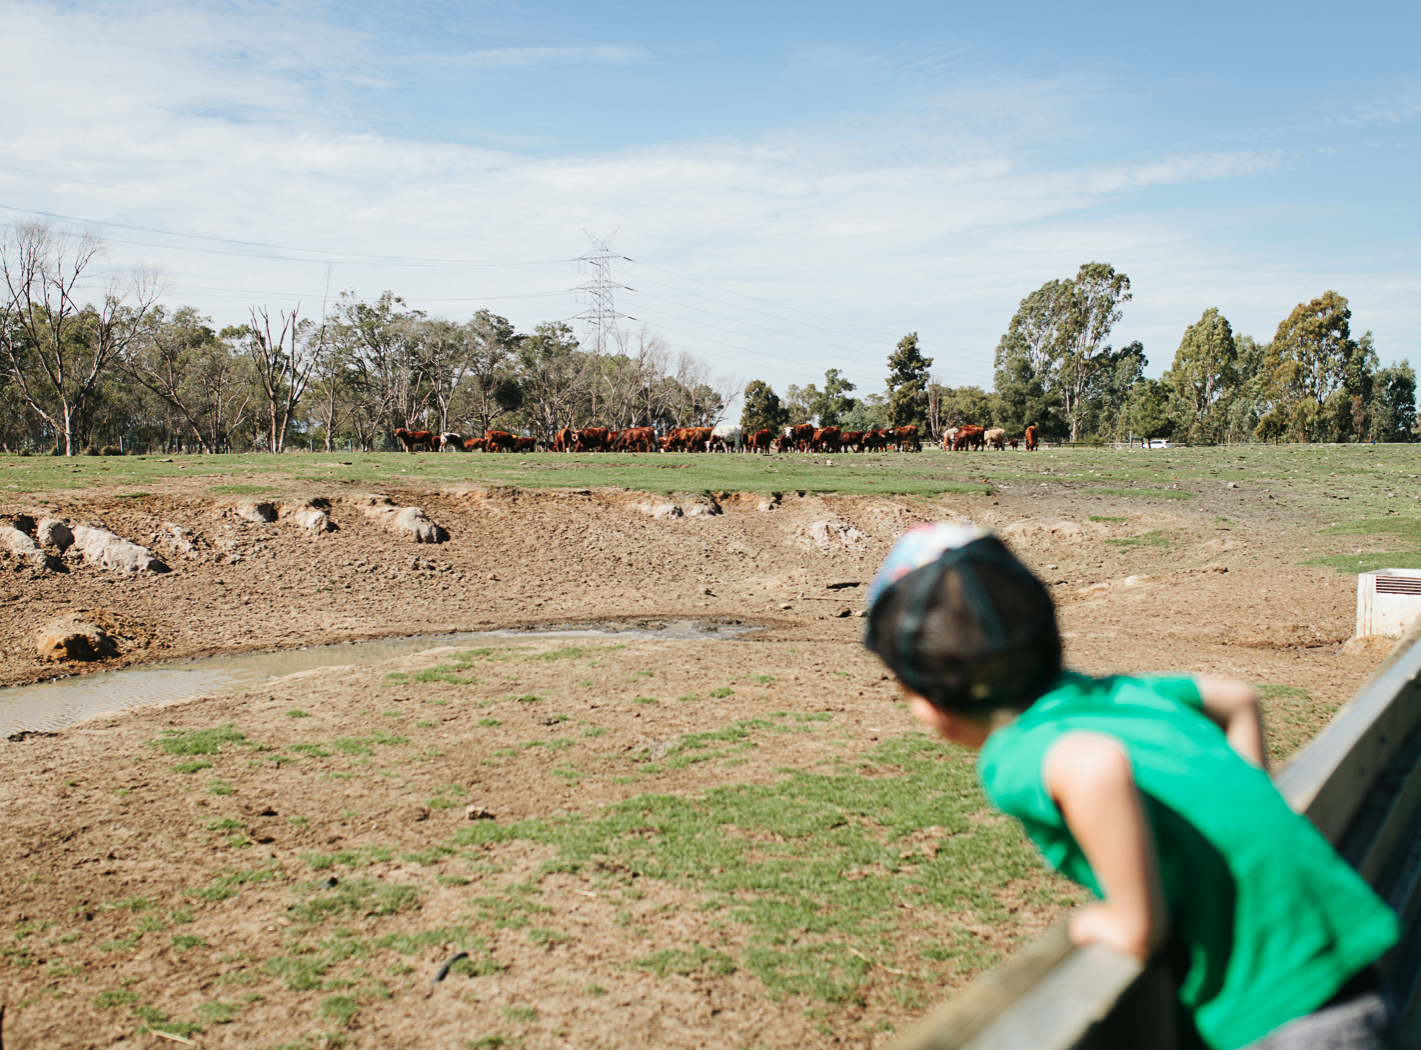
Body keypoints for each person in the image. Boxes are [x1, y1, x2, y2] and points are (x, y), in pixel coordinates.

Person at [863, 522, 1400, 1050]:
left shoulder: (1015, 751)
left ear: (929, 702)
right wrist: (1248, 814)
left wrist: (1128, 921)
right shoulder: (1120, 694)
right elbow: (1237, 699)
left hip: (1281, 1013)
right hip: (1351, 968)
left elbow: (1096, 766)